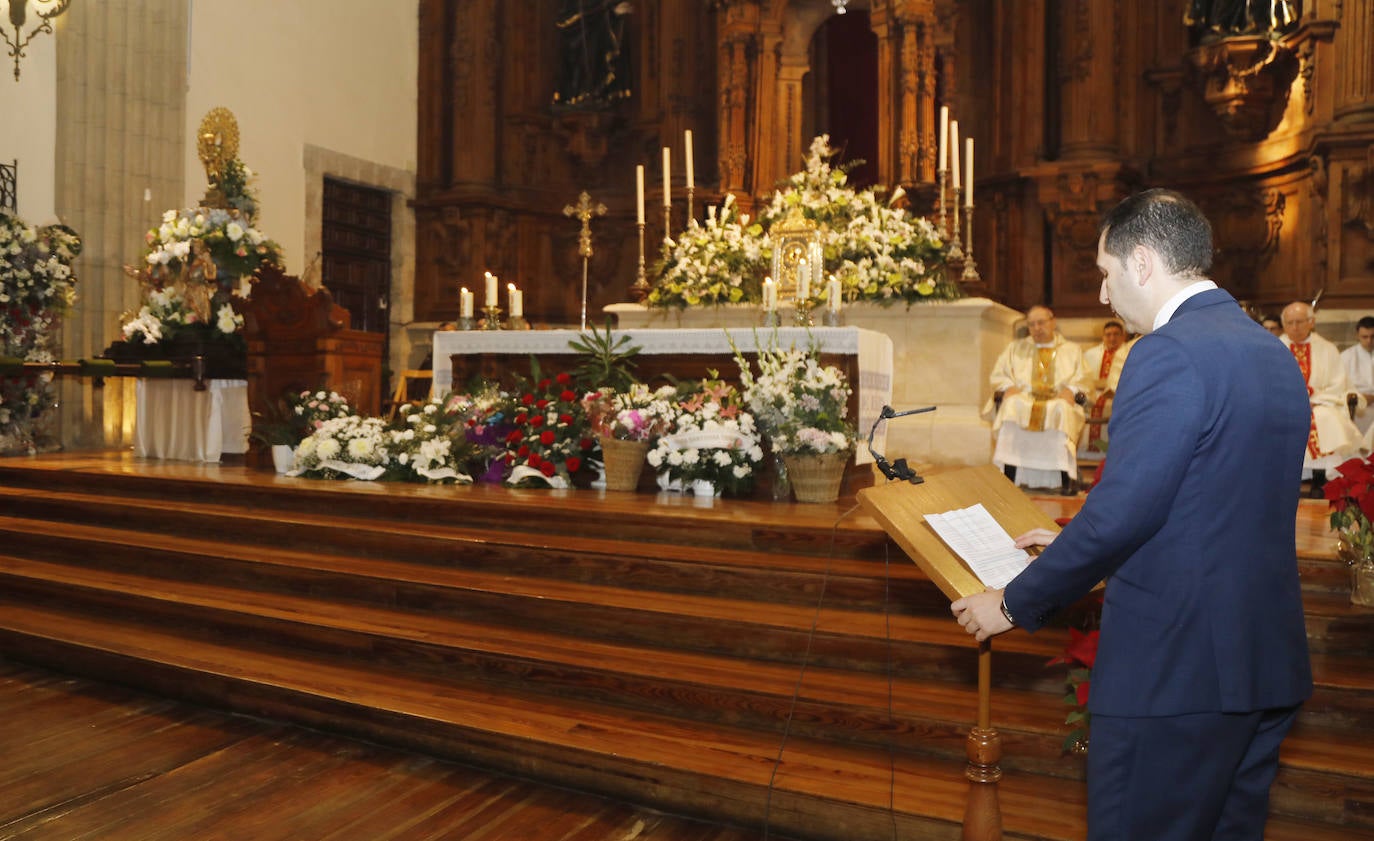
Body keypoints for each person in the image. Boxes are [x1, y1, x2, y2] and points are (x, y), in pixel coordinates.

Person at [952, 189, 1312, 841]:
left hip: (1175, 673)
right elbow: (1208, 502)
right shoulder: (1272, 355)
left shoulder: (1166, 351)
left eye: (1105, 272)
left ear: (1142, 262)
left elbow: (1124, 511)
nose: (1102, 295)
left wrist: (1011, 602)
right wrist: (1068, 543)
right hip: (1262, 658)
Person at [982, 305, 1085, 494]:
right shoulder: (1015, 348)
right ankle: (1010, 476)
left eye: (1041, 323)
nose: (1037, 328)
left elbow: (1083, 378)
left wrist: (1071, 390)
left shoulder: (1072, 350)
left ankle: (1063, 478)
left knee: (1062, 409)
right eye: (1031, 324)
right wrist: (1007, 387)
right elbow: (999, 375)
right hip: (1024, 399)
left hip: (1058, 400)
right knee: (1012, 405)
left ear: (1053, 322)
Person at [1279, 301, 1365, 497]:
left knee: (1326, 419)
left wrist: (1316, 398)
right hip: (1285, 404)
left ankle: (1320, 480)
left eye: (1299, 322)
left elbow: (1338, 382)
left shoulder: (1327, 348)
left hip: (1320, 402)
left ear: (1311, 322)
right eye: (1289, 322)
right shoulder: (1273, 347)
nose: (1294, 327)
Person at [1076, 319, 1129, 460]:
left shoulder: (1130, 353)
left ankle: (1115, 454)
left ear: (1123, 336)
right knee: (1082, 407)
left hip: (1120, 395)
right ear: (1103, 337)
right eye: (1108, 334)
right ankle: (1084, 454)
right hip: (1094, 393)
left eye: (1116, 334)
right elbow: (1082, 378)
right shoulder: (1090, 354)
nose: (1112, 338)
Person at [1342, 315, 1374, 436]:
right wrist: (1359, 396)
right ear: (1357, 335)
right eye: (1365, 337)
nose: (1369, 341)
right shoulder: (1346, 357)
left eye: (1372, 336)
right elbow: (1341, 386)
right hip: (1357, 405)